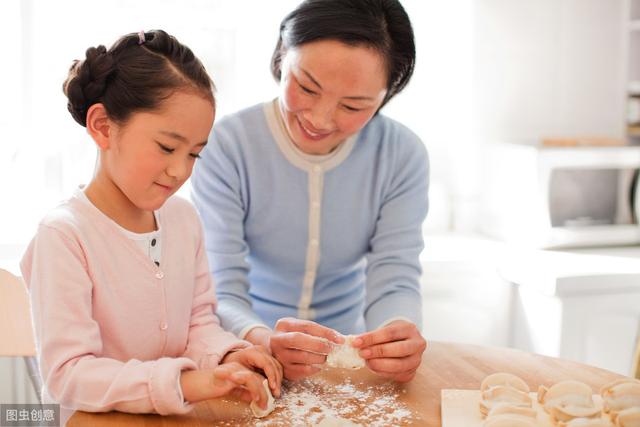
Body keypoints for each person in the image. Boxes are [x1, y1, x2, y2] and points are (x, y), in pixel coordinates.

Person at [20, 30, 282, 423]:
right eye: (166, 147)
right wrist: (187, 383)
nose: (180, 171)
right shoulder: (64, 236)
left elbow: (198, 323)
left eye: (194, 153)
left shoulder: (183, 219)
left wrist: (225, 355)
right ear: (103, 126)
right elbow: (68, 376)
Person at [191, 0, 428, 383]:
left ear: (386, 96)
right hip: (247, 353)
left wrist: (396, 332)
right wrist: (261, 339)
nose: (320, 119)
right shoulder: (227, 145)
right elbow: (221, 285)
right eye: (306, 87)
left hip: (349, 364)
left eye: (353, 106)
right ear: (282, 58)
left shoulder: (401, 154)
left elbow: (394, 275)